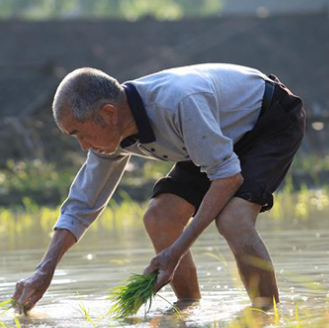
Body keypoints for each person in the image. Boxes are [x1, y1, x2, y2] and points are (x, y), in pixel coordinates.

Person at [13, 63, 305, 312]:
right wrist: (44, 271)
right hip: (212, 136)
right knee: (160, 217)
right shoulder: (111, 135)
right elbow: (81, 206)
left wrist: (176, 250)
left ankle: (268, 316)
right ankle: (188, 310)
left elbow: (228, 177)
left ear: (109, 114)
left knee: (233, 219)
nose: (83, 146)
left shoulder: (178, 103)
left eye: (79, 133)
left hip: (267, 119)